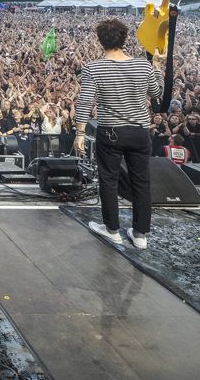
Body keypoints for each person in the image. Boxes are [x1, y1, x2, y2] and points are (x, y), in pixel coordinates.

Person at [74, 19, 164, 250]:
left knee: (109, 180)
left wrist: (80, 133)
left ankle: (112, 229)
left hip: (111, 131)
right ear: (125, 39)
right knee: (142, 182)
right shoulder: (143, 66)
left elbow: (85, 102)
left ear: (100, 40)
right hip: (140, 131)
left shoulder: (93, 68)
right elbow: (156, 93)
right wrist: (156, 69)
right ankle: (140, 234)